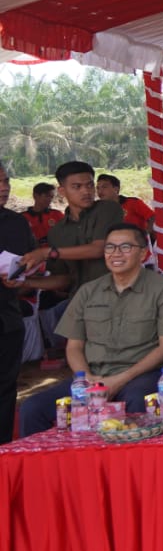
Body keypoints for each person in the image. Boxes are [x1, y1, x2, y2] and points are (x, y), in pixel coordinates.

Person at [20, 223, 163, 435]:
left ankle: (130, 467)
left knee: (137, 404)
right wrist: (86, 378)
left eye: (126, 247)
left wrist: (120, 380)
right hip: (92, 377)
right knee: (32, 409)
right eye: (110, 247)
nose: (116, 253)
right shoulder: (88, 291)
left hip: (139, 375)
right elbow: (74, 347)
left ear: (143, 253)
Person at [16, 160, 125, 300]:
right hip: (80, 301)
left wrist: (48, 252)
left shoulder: (108, 209)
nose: (86, 191)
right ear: (62, 191)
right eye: (77, 187)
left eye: (90, 185)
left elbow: (98, 249)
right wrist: (25, 282)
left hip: (115, 296)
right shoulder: (56, 232)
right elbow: (64, 279)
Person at [0, 165, 34, 442]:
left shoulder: (16, 222)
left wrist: (22, 276)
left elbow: (26, 261)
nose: (4, 187)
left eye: (6, 180)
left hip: (6, 318)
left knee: (5, 387)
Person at [23, 182, 62, 247]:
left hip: (56, 253)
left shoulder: (57, 215)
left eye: (51, 197)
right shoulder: (23, 217)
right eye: (47, 196)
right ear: (35, 196)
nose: (49, 199)